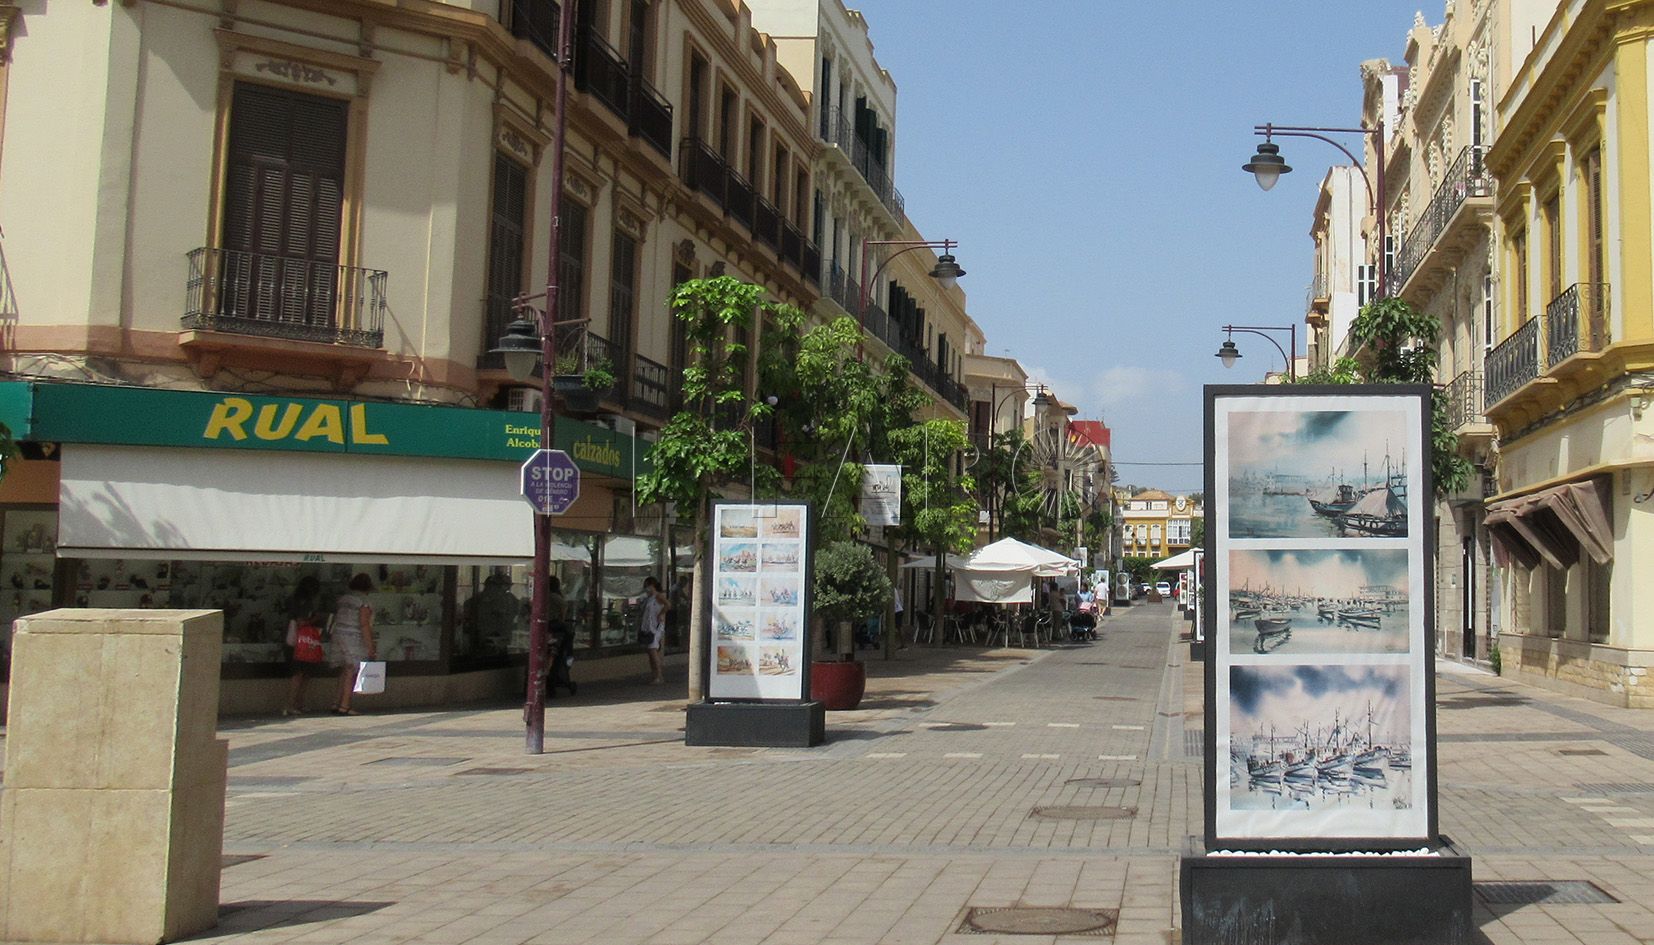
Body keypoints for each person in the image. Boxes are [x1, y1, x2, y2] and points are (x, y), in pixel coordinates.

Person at [330, 573, 377, 715]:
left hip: (338, 634)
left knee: (344, 670)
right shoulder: (363, 602)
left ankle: (336, 703)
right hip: (353, 638)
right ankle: (345, 706)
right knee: (351, 670)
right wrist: (370, 646)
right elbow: (364, 624)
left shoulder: (343, 599)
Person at [281, 575, 323, 716]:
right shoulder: (305, 603)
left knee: (300, 674)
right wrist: (315, 619)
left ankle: (296, 703)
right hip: (301, 642)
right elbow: (301, 622)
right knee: (301, 674)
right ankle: (293, 704)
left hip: (291, 640)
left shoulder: (292, 599)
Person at [545, 575, 576, 698]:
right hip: (556, 630)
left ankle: (550, 684)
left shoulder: (543, 597)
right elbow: (563, 614)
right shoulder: (557, 598)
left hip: (548, 630)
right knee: (556, 659)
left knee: (550, 658)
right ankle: (552, 685)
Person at [641, 575, 667, 684]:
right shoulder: (648, 598)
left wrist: (661, 614)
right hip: (648, 626)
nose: (647, 588)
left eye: (648, 586)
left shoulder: (658, 596)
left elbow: (668, 604)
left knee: (653, 650)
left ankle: (659, 675)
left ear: (653, 586)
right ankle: (654, 675)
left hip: (656, 627)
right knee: (650, 652)